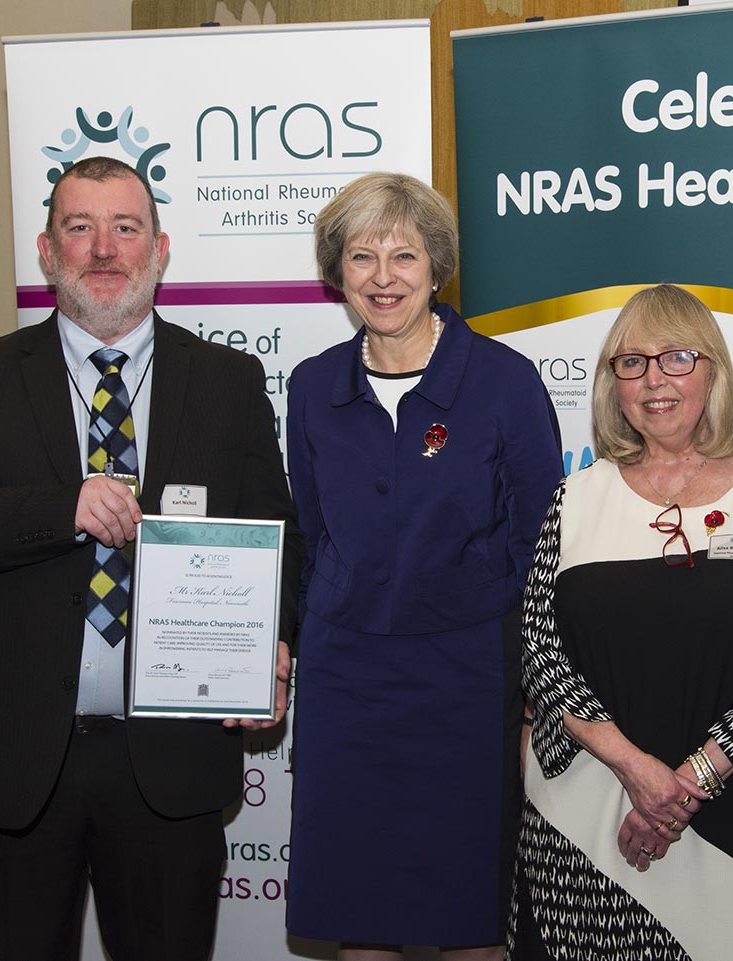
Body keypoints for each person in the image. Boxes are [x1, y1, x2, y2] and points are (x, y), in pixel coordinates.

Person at [0, 155, 303, 961]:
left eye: (125, 227)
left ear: (161, 249)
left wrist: (271, 644)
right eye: (80, 228)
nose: (104, 249)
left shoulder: (228, 380)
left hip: (169, 764)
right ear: (46, 251)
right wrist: (59, 508)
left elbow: (274, 534)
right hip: (14, 761)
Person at [285, 172, 562, 961]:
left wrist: (524, 675)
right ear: (336, 271)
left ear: (436, 266)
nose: (383, 278)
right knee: (360, 913)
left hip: (466, 684)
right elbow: (312, 528)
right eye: (362, 256)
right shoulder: (310, 389)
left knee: (466, 915)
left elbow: (543, 540)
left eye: (403, 255)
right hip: (346, 686)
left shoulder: (504, 381)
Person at [510, 284, 733, 960]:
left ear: (714, 372)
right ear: (611, 381)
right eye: (631, 361)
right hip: (584, 817)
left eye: (677, 357)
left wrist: (690, 780)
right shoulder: (574, 499)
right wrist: (636, 768)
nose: (653, 380)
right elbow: (538, 649)